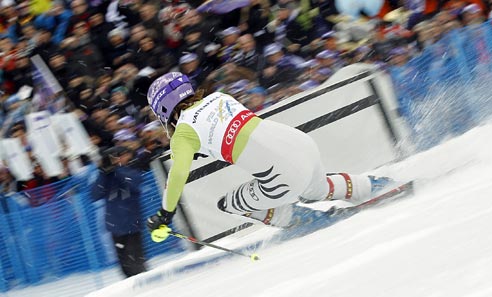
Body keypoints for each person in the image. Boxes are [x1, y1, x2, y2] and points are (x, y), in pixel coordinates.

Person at [146, 71, 394, 235]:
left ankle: (303, 221)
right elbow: (223, 128)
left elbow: (177, 176)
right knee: (318, 188)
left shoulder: (182, 135)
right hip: (302, 144)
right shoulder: (219, 97)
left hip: (283, 174)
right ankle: (373, 186)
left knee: (228, 203)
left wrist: (165, 214)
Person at [92, 145, 147, 278]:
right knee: (125, 267)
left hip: (132, 224)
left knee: (137, 264)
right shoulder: (106, 175)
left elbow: (134, 183)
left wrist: (117, 169)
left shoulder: (132, 168)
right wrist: (103, 172)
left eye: (120, 156)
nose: (118, 159)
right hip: (115, 225)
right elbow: (95, 194)